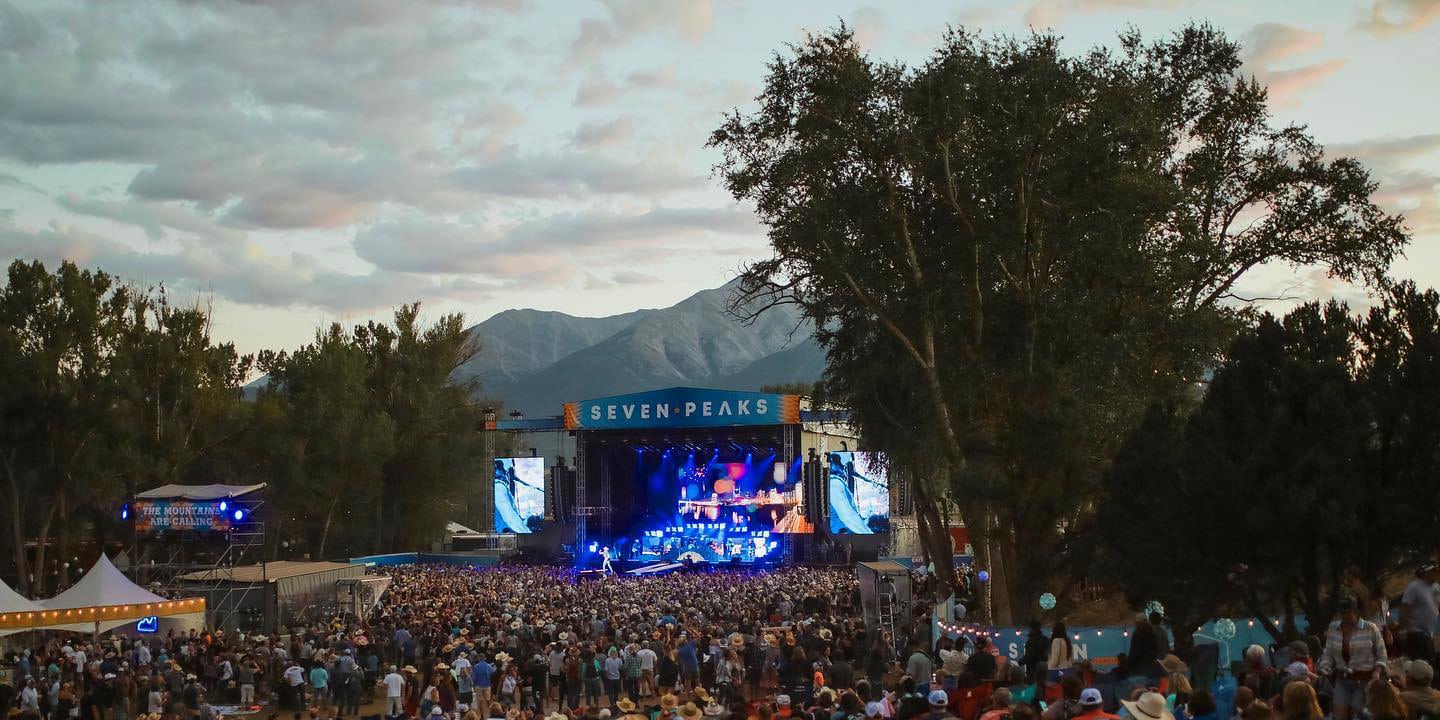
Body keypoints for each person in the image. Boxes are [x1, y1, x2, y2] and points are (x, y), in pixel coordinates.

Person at [1320, 595, 1390, 720]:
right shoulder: (1333, 628)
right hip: (1342, 680)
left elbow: (1382, 654)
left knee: (1356, 715)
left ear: (1355, 610)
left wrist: (1376, 673)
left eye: (1347, 612)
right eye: (1341, 612)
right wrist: (1325, 668)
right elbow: (1328, 653)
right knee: (1338, 715)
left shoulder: (1370, 628)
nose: (1344, 616)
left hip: (1364, 681)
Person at [1401, 565, 1440, 645]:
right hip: (1415, 631)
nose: (1437, 574)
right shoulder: (1414, 587)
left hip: (1429, 632)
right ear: (1426, 573)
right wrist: (1402, 629)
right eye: (1434, 572)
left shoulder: (1436, 587)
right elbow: (1405, 608)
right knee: (1425, 656)